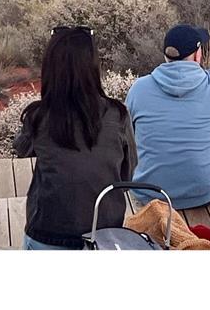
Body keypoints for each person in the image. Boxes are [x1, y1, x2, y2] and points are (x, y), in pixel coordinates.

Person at [14, 26, 136, 250]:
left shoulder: (38, 117)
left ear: (50, 68)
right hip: (103, 236)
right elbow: (127, 176)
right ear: (93, 67)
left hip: (46, 234)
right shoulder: (118, 115)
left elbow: (21, 148)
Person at [126, 23, 210, 209]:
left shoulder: (139, 89)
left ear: (166, 55)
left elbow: (127, 135)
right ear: (198, 55)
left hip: (149, 194)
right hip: (203, 193)